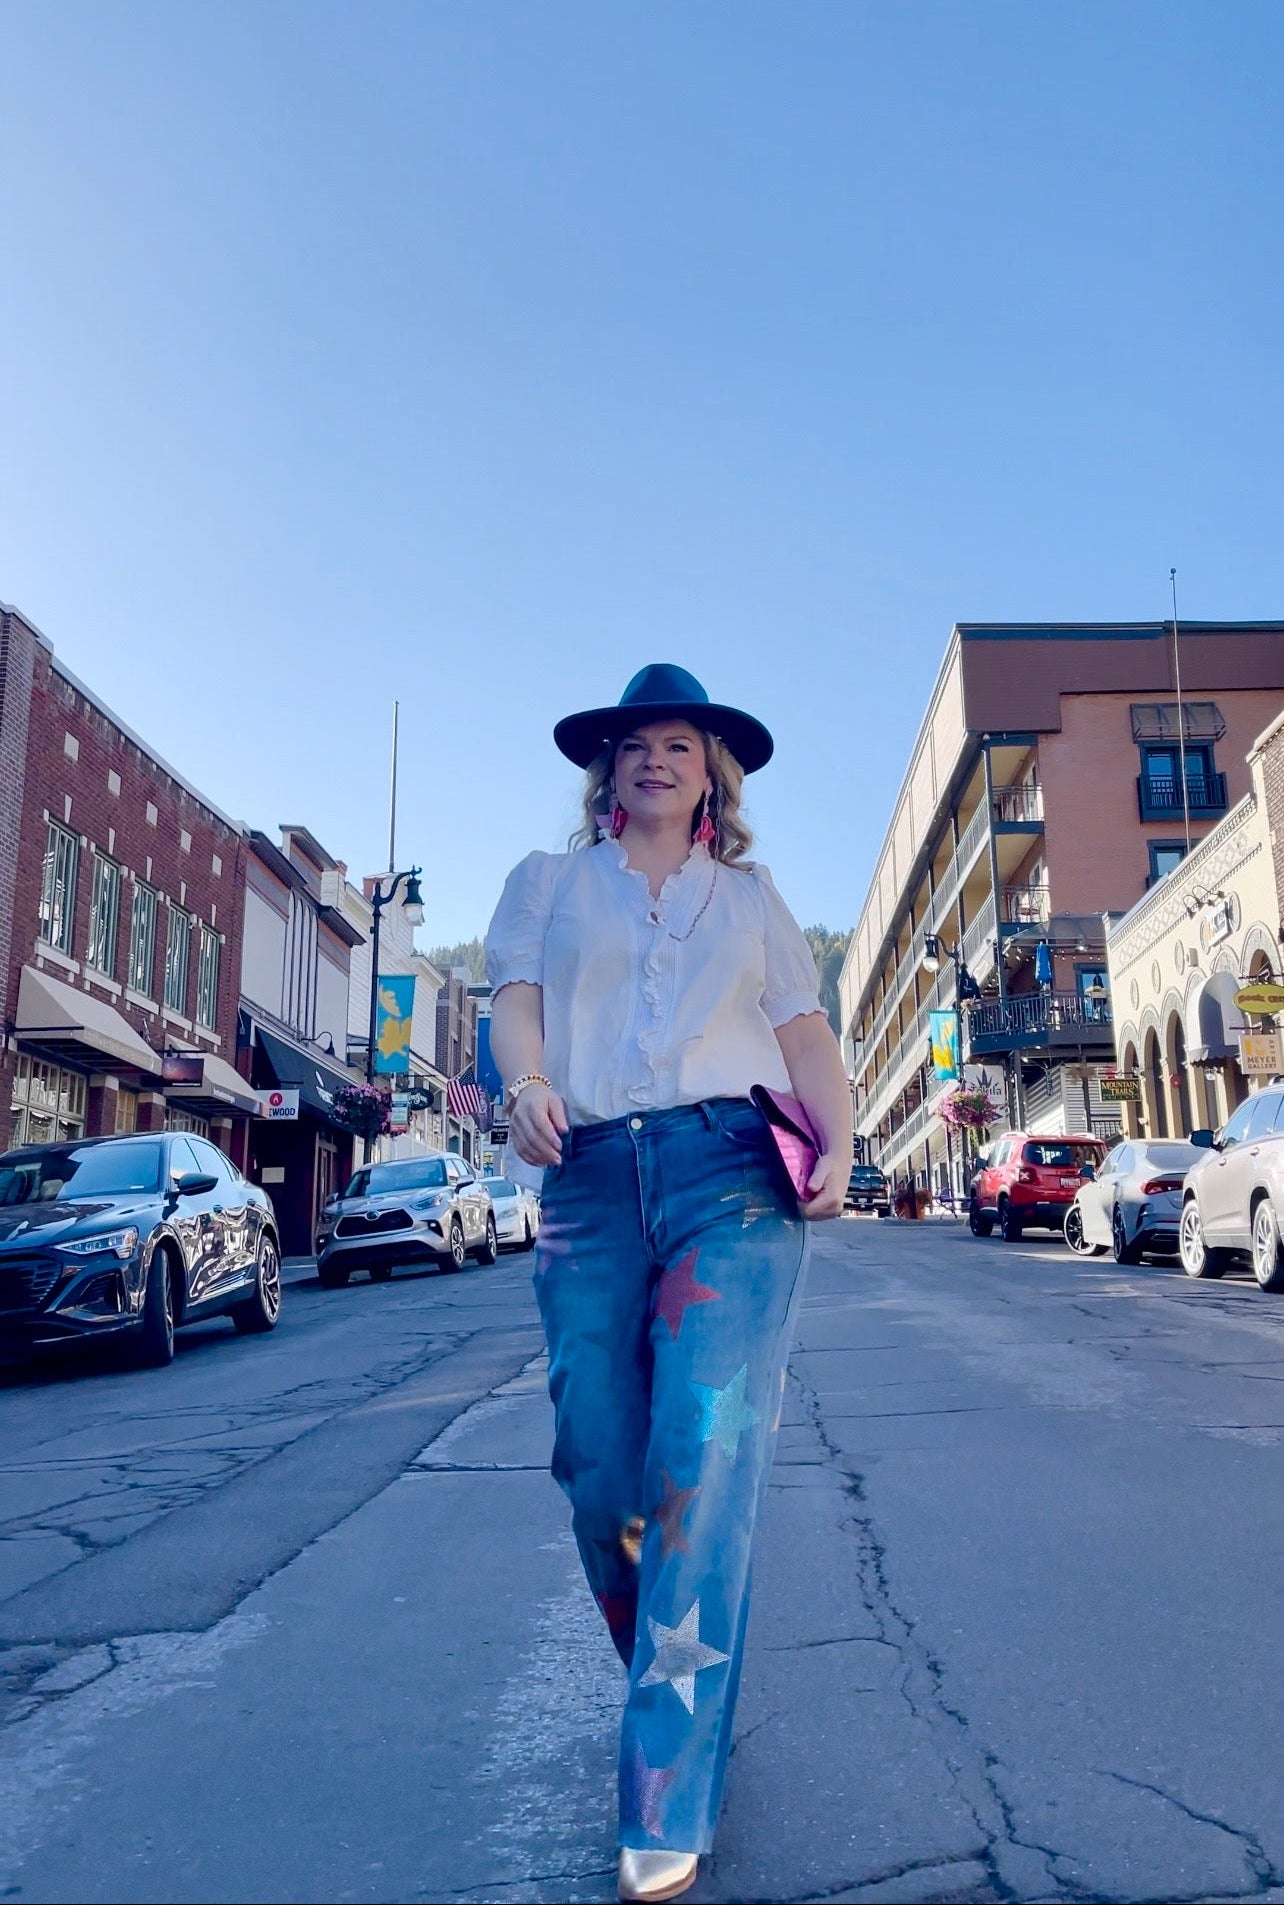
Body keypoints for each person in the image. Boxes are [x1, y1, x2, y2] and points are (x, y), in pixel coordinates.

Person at [485, 663, 852, 1904]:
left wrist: (842, 1143)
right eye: (636, 743)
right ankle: (678, 1680)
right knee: (601, 1468)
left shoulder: (752, 900)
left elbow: (805, 1036)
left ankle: (666, 1795)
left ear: (713, 776)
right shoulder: (546, 884)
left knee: (705, 1465)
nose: (656, 759)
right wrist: (529, 1084)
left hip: (730, 1179)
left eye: (680, 745)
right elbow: (516, 1006)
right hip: (588, 1180)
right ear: (608, 769)